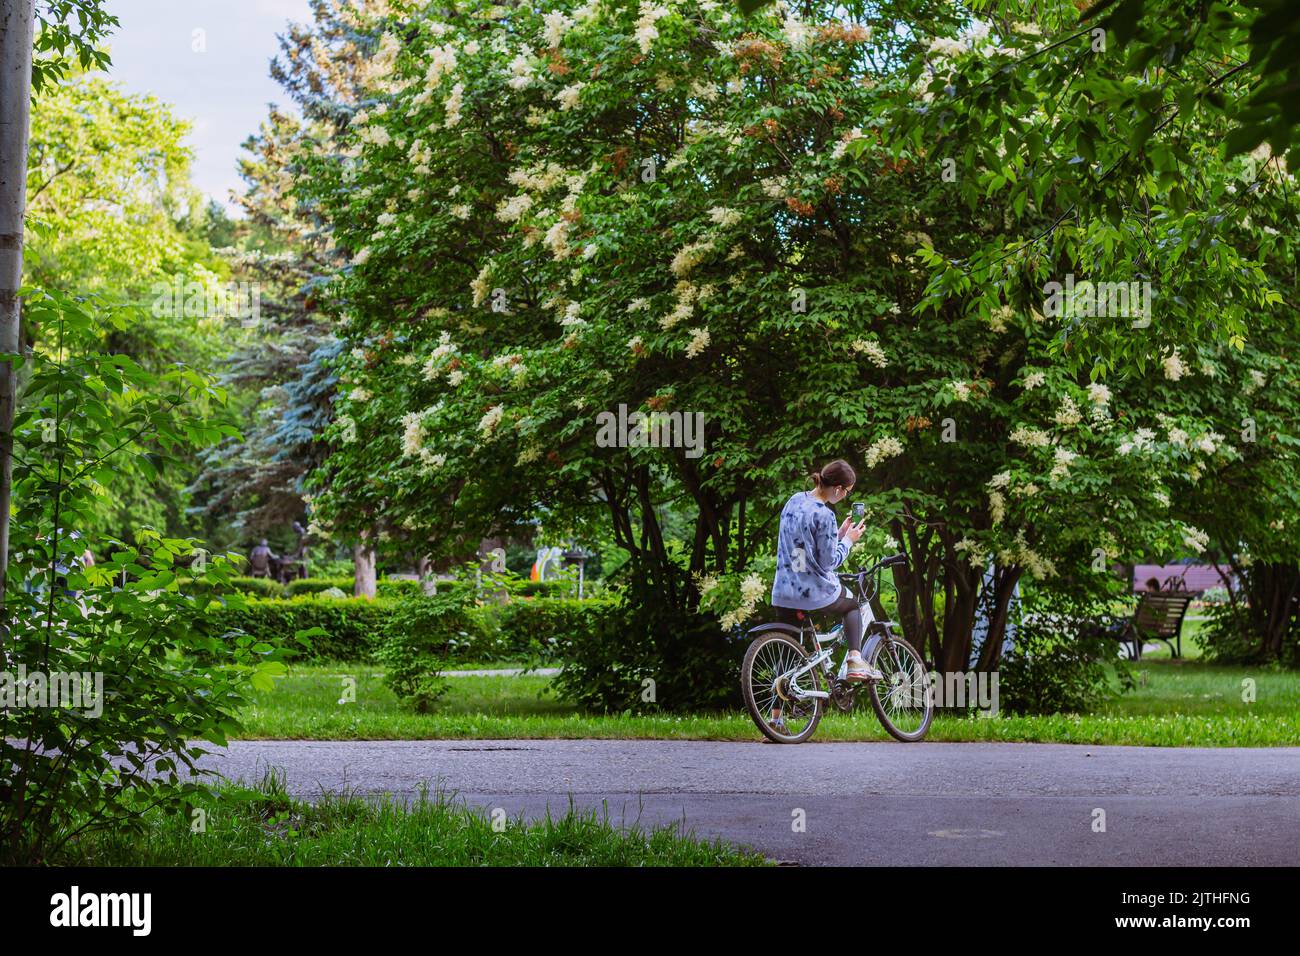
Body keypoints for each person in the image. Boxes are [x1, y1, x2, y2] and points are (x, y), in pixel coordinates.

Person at [771, 459, 882, 682]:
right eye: (847, 492)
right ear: (838, 489)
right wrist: (849, 541)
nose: (845, 497)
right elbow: (829, 562)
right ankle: (855, 662)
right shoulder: (825, 514)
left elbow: (802, 546)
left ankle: (775, 716)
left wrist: (839, 534)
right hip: (811, 591)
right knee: (853, 605)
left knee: (787, 648)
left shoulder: (795, 500)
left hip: (784, 589)